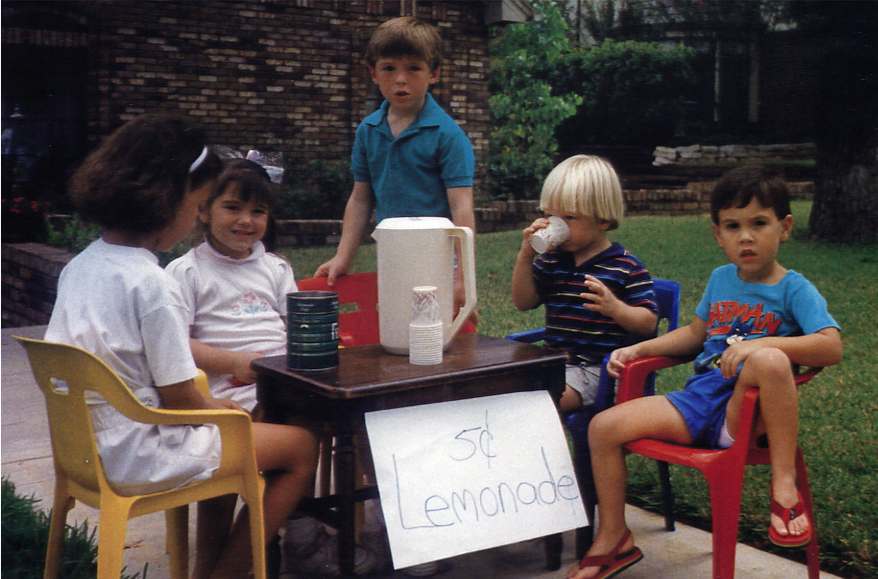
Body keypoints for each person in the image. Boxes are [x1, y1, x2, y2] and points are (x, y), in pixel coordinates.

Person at [44, 113, 319, 579]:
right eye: (196, 203)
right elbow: (181, 399)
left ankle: (209, 566)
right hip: (143, 451)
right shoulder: (149, 282)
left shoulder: (83, 266)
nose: (195, 214)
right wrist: (229, 413)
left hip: (89, 448)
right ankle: (226, 575)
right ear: (167, 199)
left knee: (233, 437)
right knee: (299, 448)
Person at [567, 166, 843, 579]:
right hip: (699, 401)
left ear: (784, 228)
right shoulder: (720, 279)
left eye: (758, 224)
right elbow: (696, 335)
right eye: (732, 226)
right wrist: (640, 346)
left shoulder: (793, 289)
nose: (745, 237)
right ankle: (614, 538)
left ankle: (784, 486)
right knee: (602, 427)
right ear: (718, 234)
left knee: (769, 361)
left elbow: (830, 345)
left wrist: (761, 345)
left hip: (746, 413)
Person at [166, 158, 376, 576]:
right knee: (284, 437)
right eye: (232, 208)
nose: (246, 221)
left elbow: (295, 327)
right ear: (203, 211)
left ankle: (319, 532)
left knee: (354, 416)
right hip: (225, 393)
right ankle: (275, 541)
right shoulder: (186, 272)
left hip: (285, 381)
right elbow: (174, 345)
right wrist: (239, 362)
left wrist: (309, 351)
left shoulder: (274, 268)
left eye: (258, 212)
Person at [314, 15, 476, 292]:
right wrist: (343, 257)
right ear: (373, 73)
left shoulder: (448, 135)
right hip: (391, 252)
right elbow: (360, 199)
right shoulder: (368, 131)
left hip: (439, 257)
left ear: (433, 74)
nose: (401, 79)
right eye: (389, 68)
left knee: (438, 331)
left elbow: (461, 207)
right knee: (396, 325)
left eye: (414, 68)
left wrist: (463, 276)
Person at [511, 155, 658, 413]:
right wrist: (526, 255)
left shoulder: (625, 267)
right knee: (505, 390)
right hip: (555, 364)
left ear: (602, 219)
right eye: (549, 215)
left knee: (540, 403)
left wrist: (614, 308)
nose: (557, 225)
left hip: (598, 370)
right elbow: (523, 302)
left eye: (568, 217)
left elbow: (648, 323)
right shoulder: (553, 261)